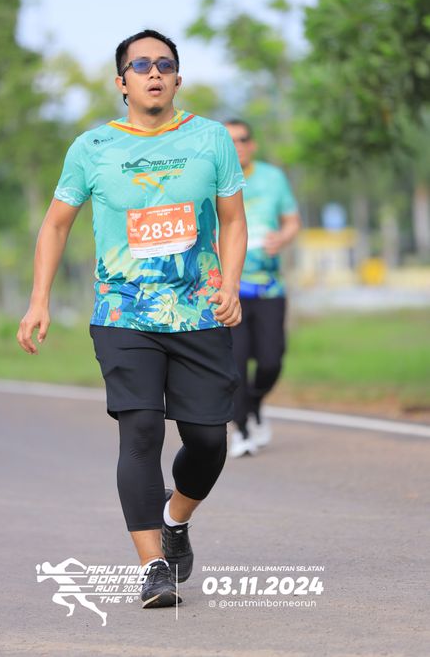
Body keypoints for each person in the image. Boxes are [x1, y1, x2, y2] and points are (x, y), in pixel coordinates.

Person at [17, 30, 247, 609]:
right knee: (141, 431)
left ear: (178, 78)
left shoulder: (211, 139)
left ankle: (175, 519)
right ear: (122, 82)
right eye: (141, 65)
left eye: (164, 64)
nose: (154, 73)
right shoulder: (92, 147)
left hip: (199, 312)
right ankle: (153, 568)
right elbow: (56, 225)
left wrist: (230, 285)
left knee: (208, 442)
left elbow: (233, 219)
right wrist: (39, 299)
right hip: (123, 313)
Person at [224, 119, 300, 458]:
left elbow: (292, 221)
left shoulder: (272, 178)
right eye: (229, 141)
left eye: (242, 139)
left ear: (251, 144)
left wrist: (282, 238)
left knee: (271, 360)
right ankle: (240, 429)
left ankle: (254, 403)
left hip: (269, 288)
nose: (237, 146)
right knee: (236, 364)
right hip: (229, 290)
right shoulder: (211, 179)